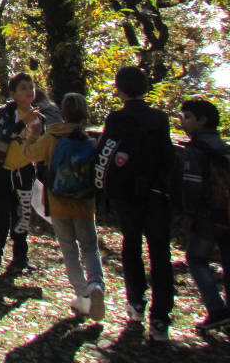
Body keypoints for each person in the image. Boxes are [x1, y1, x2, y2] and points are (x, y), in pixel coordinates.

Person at [95, 65, 174, 342]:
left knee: (131, 246)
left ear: (119, 89)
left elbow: (104, 154)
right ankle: (161, 319)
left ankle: (136, 302)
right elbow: (168, 158)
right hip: (155, 193)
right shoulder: (159, 118)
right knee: (160, 254)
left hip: (127, 194)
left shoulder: (116, 118)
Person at [23, 93, 106, 321]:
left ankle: (83, 296)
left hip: (58, 202)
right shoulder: (89, 141)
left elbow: (28, 154)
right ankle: (96, 284)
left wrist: (33, 133)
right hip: (84, 204)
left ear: (62, 113)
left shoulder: (52, 138)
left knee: (69, 249)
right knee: (90, 247)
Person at [179, 98, 230, 332]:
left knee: (197, 259)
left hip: (206, 215)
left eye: (187, 117)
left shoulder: (195, 150)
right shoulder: (225, 147)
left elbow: (192, 185)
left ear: (202, 121)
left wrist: (188, 214)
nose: (183, 122)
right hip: (226, 212)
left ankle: (217, 309)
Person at [0, 72, 38, 275]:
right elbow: (7, 133)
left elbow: (41, 143)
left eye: (31, 87)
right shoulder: (5, 111)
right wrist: (24, 122)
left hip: (24, 171)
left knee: (23, 213)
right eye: (23, 88)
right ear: (13, 94)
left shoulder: (38, 116)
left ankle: (20, 256)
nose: (28, 91)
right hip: (1, 170)